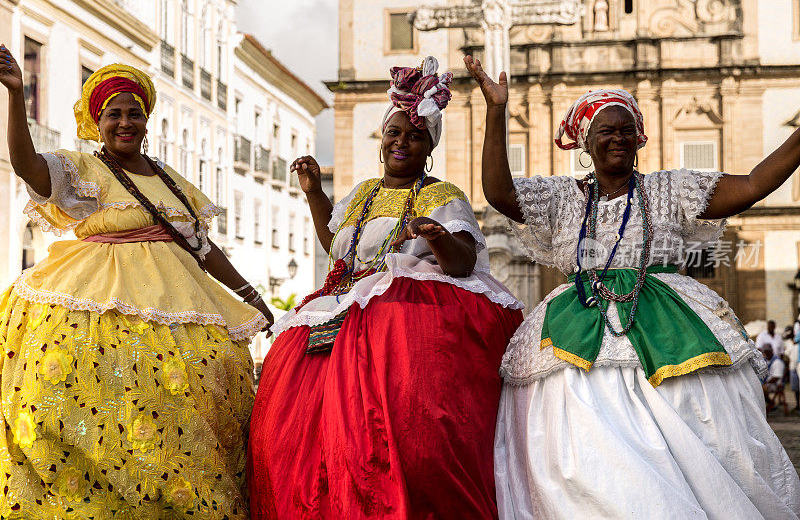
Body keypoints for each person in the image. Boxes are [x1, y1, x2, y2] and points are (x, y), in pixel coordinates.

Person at [465, 55, 800, 518]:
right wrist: (497, 111)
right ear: (586, 141)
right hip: (576, 324)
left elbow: (754, 184)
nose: (618, 137)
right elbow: (499, 193)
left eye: (627, 129)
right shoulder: (563, 198)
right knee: (581, 448)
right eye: (606, 130)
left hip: (667, 326)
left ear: (639, 139)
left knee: (694, 436)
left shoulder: (671, 189)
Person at [0, 46, 273, 518]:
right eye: (113, 115)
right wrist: (16, 94)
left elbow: (203, 249)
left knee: (198, 391)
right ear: (96, 122)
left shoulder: (171, 181)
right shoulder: (83, 169)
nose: (124, 123)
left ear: (146, 123)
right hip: (91, 289)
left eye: (134, 114)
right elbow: (27, 166)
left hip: (178, 293)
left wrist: (250, 296)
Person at [247, 56, 523, 519]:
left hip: (393, 329)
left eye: (414, 135)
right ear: (381, 139)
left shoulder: (441, 195)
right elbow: (340, 249)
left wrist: (435, 235)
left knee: (383, 432)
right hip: (336, 313)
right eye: (394, 133)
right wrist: (315, 193)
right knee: (298, 434)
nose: (401, 142)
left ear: (428, 146)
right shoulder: (361, 194)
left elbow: (464, 263)